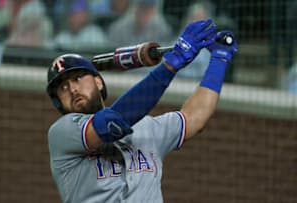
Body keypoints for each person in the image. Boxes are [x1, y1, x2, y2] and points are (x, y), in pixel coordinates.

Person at [46, 19, 237, 202]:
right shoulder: (62, 134)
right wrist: (170, 65)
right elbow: (112, 123)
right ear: (58, 103)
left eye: (78, 78)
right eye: (62, 88)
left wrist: (219, 59)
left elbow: (194, 118)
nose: (72, 89)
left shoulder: (146, 127)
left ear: (98, 81)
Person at [107, 0, 172, 47]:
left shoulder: (161, 28)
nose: (144, 13)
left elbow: (164, 52)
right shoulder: (118, 28)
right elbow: (111, 52)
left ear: (154, 11)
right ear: (134, 8)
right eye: (141, 8)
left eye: (148, 10)